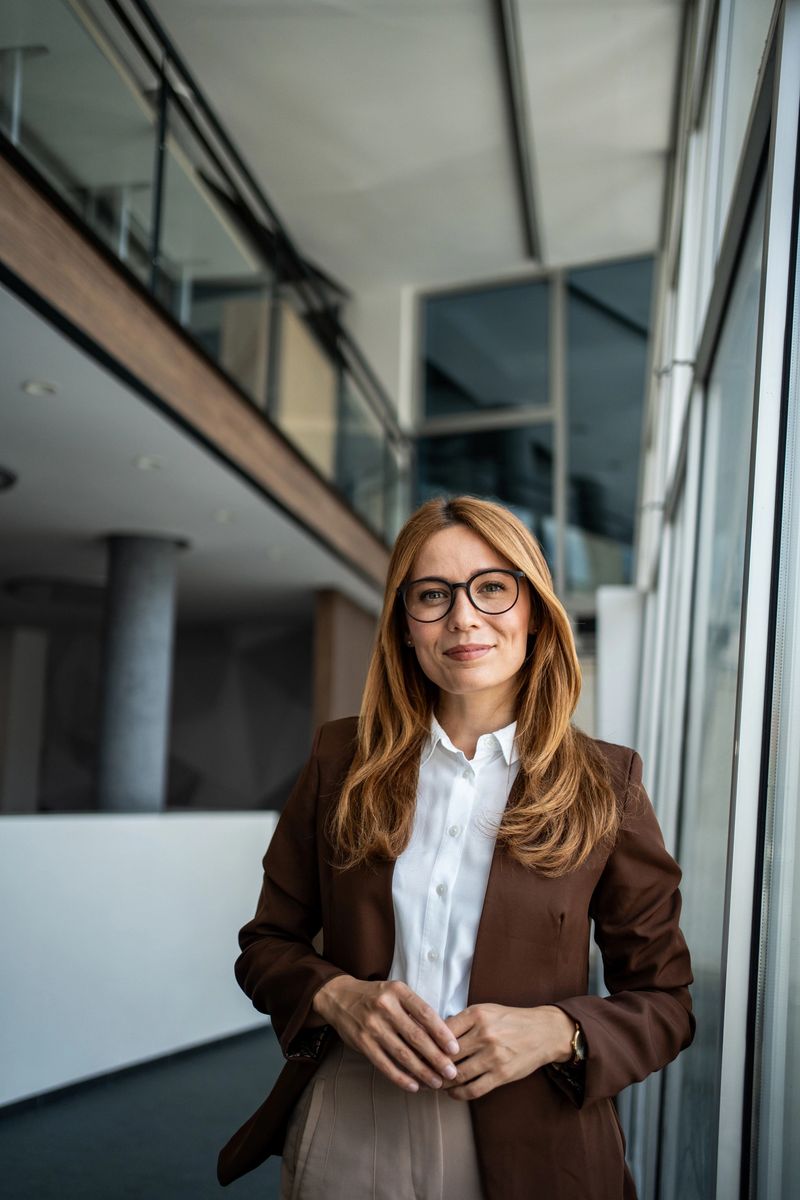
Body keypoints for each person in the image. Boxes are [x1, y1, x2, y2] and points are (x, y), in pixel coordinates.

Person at [217, 495, 694, 1200]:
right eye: (433, 595)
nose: (464, 618)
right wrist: (337, 996)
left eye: (492, 589)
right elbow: (266, 944)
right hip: (354, 1115)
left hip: (532, 1130)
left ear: (533, 611)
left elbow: (665, 1000)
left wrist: (561, 1031)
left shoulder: (606, 783)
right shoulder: (338, 759)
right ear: (405, 625)